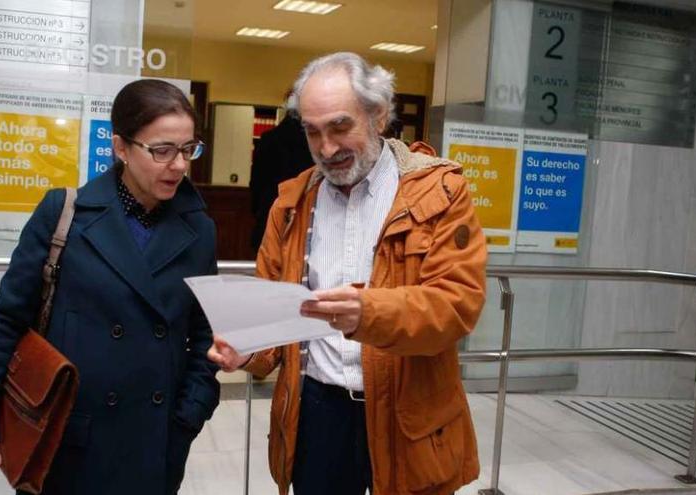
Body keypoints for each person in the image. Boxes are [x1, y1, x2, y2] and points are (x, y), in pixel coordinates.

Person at [208, 52, 487, 495]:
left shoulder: (441, 192)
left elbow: (456, 305)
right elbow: (271, 310)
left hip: (406, 412)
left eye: (340, 127)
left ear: (378, 115)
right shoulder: (292, 203)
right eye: (313, 132)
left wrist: (367, 312)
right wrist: (248, 350)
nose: (326, 148)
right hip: (316, 414)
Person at [0, 79, 220, 495]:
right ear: (120, 148)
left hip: (155, 439)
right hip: (71, 435)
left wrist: (189, 413)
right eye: (162, 150)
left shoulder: (199, 229)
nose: (179, 165)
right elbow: (9, 316)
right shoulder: (64, 214)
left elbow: (205, 333)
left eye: (189, 149)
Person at [249, 94, 313, 250]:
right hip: (301, 218)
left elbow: (255, 187)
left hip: (268, 216)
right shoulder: (312, 143)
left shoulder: (267, 139)